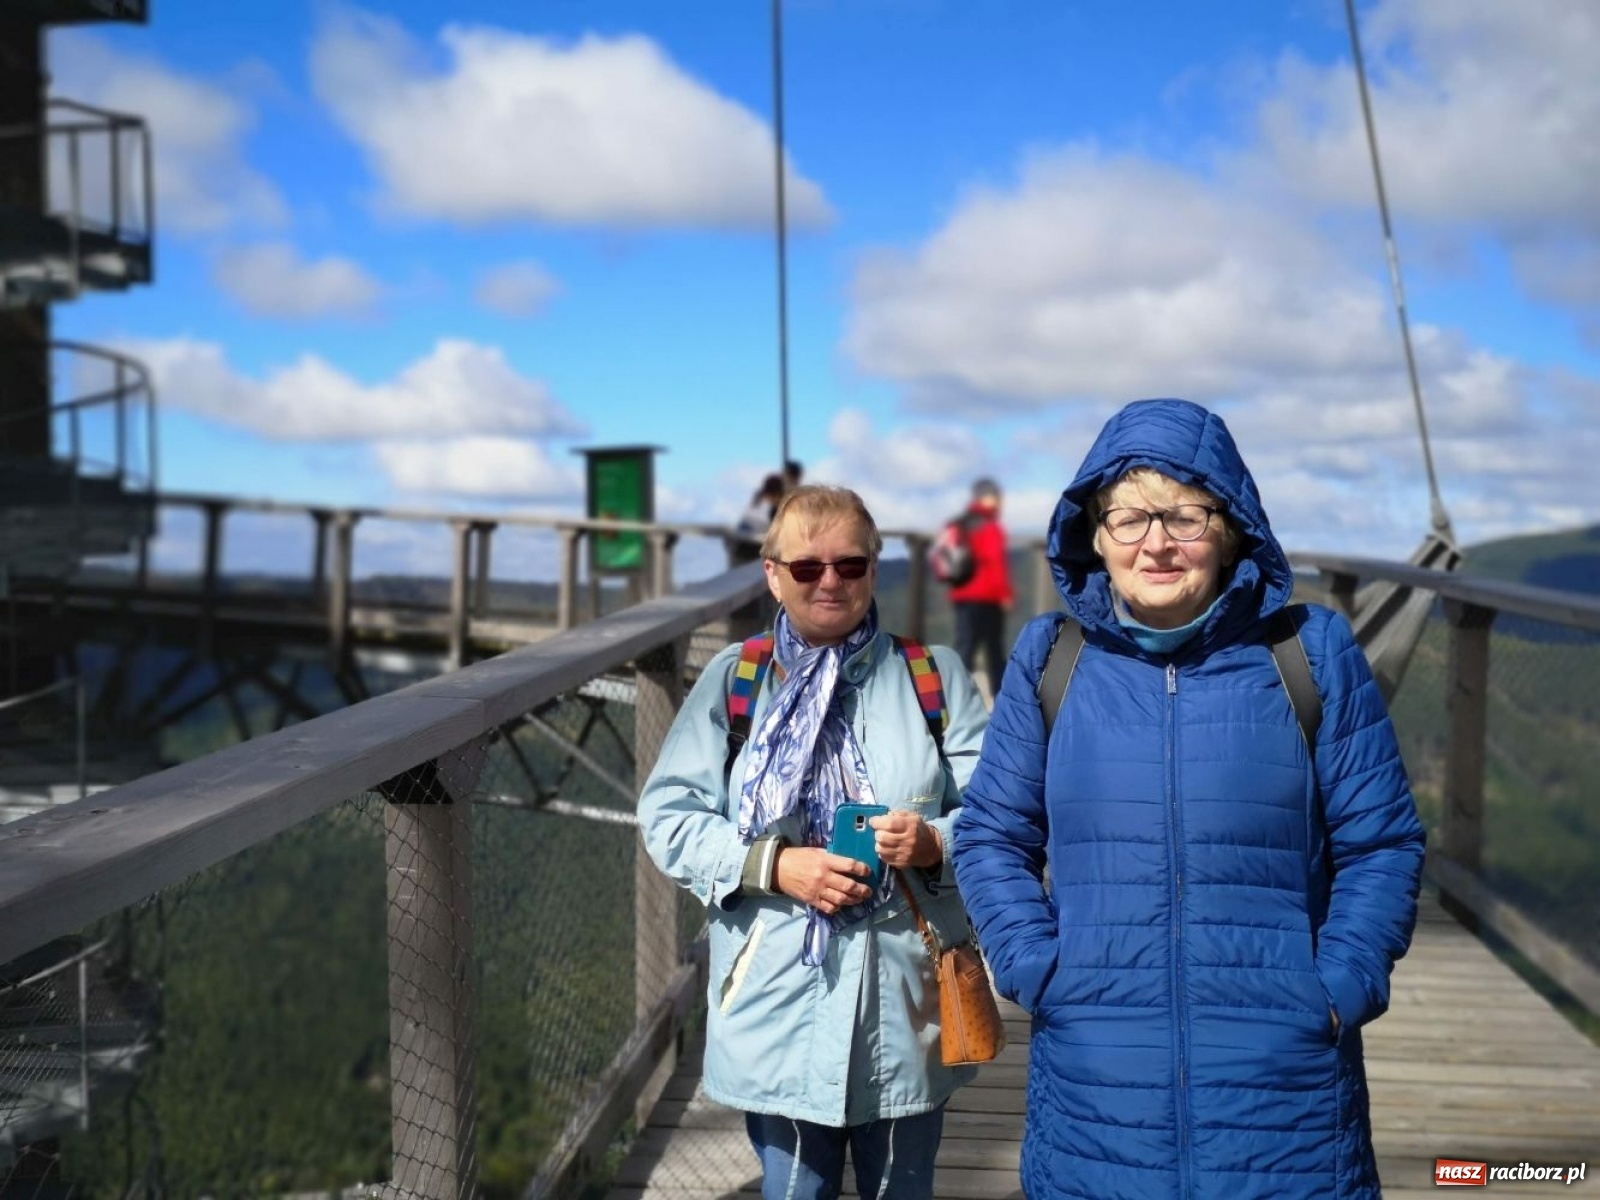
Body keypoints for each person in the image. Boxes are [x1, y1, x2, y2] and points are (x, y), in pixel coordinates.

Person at [952, 398, 1426, 1200]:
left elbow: (1382, 844)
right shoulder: (1049, 659)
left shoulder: (1310, 654)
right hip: (1098, 1101)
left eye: (1186, 515)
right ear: (1095, 536)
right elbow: (992, 836)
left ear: (1234, 526)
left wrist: (1339, 988)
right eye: (1129, 517)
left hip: (1288, 1101)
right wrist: (1039, 969)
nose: (1156, 543)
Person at [639, 484, 989, 1200]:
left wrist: (933, 840)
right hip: (779, 1000)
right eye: (806, 568)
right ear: (773, 574)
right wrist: (773, 864)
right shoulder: (734, 680)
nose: (830, 581)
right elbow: (669, 815)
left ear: (873, 568)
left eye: (850, 565)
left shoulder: (934, 678)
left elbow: (998, 813)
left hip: (906, 1002)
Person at [947, 477, 1013, 699]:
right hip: (987, 596)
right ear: (988, 498)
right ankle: (1000, 697)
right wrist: (1005, 594)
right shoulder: (990, 526)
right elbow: (995, 564)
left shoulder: (960, 522)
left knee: (965, 646)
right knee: (994, 650)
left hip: (962, 594)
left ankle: (954, 695)